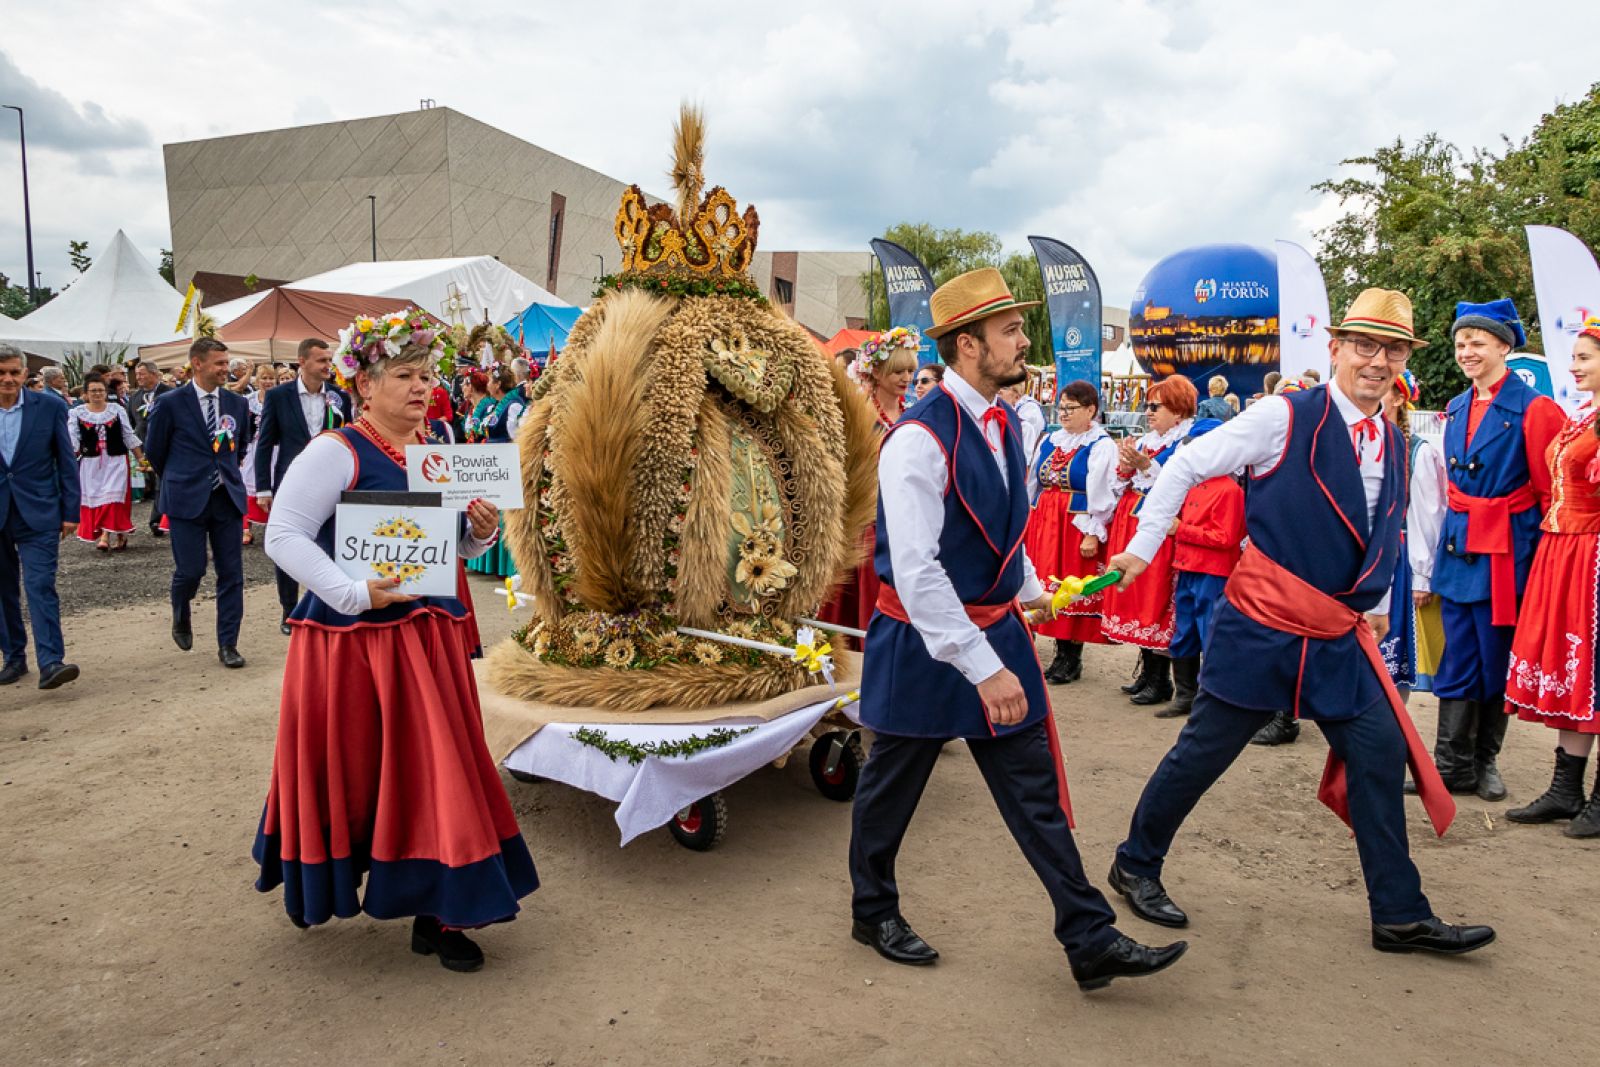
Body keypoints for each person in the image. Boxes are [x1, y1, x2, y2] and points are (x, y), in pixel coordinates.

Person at [1105, 288, 1495, 957]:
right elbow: (1189, 463)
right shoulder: (1285, 415)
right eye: (1365, 345)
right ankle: (1135, 862)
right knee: (1205, 752)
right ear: (1336, 348)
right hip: (1262, 625)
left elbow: (1380, 537)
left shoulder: (1399, 444)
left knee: (1378, 750)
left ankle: (1400, 912)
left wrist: (1372, 612)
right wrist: (1142, 549)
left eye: (1393, 348)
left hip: (1338, 638)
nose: (1378, 360)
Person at [849, 268, 1185, 992]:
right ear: (968, 345)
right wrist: (983, 664)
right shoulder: (916, 439)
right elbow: (916, 569)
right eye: (1009, 330)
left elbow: (1005, 529)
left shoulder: (1004, 420)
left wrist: (1032, 589)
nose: (1024, 340)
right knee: (891, 787)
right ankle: (872, 907)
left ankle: (1087, 934)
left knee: (1032, 790)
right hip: (926, 643)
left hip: (989, 632)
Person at [253, 310, 537, 970]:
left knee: (433, 772)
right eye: (404, 375)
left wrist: (480, 531)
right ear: (365, 385)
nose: (420, 386)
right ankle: (334, 879)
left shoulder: (436, 444)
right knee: (355, 768)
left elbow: (449, 542)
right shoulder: (336, 450)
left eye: (424, 374)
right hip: (355, 645)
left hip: (427, 636)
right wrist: (353, 593)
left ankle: (438, 912)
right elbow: (283, 535)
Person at [1429, 299, 1565, 800]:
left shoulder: (1535, 409)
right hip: (1461, 546)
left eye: (1476, 343)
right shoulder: (1458, 406)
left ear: (1503, 347)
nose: (1466, 352)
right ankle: (1450, 765)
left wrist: (1548, 566)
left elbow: (1552, 494)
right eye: (1461, 343)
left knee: (1493, 658)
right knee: (1457, 657)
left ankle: (1484, 762)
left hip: (1509, 554)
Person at [1505, 320, 1600, 836]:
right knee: (1573, 669)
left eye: (1584, 357)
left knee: (1597, 671)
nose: (1573, 366)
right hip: (1564, 550)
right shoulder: (1582, 418)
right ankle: (1567, 789)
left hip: (1594, 554)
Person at [144, 338, 252, 669]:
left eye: (226, 362)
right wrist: (182, 477)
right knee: (191, 570)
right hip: (186, 498)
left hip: (225, 498)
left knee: (231, 574)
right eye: (219, 363)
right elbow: (155, 451)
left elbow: (241, 446)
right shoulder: (171, 402)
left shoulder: (237, 404)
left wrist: (223, 475)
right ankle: (181, 610)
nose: (226, 369)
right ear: (198, 363)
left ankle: (228, 644)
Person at [1098, 375, 1196, 705]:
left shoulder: (1188, 442)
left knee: (1156, 600)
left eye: (1156, 406)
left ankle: (1163, 680)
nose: (1149, 412)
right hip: (1136, 520)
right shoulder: (1147, 440)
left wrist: (1146, 467)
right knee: (1137, 598)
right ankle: (1148, 672)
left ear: (1179, 411)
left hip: (1163, 529)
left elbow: (1177, 484)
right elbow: (1121, 484)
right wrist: (1127, 468)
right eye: (1148, 406)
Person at [818, 328, 918, 634]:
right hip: (866, 521)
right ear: (876, 371)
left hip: (905, 518)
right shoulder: (857, 414)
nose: (906, 378)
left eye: (910, 371)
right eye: (897, 371)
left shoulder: (913, 414)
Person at [254, 338, 350, 635]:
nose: (327, 366)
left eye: (329, 360)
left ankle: (326, 605)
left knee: (330, 543)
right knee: (289, 544)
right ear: (302, 362)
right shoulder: (279, 396)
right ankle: (288, 609)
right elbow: (265, 443)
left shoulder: (338, 396)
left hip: (332, 479)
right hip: (290, 480)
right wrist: (263, 488)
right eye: (321, 360)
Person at [1024, 379, 1116, 684]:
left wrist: (1094, 531)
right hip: (1045, 521)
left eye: (1071, 408)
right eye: (1061, 407)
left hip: (1074, 524)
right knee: (1044, 583)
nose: (1063, 413)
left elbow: (1104, 492)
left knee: (1070, 585)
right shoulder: (1050, 440)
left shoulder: (1100, 445)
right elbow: (1032, 484)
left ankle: (1070, 656)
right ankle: (1054, 649)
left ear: (1090, 409)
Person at [0, 345, 80, 690]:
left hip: (40, 512)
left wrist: (71, 511)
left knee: (39, 585)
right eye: (1, 372)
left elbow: (65, 460)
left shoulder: (49, 406)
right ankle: (14, 657)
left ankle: (51, 662)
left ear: (24, 373)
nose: (7, 379)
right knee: (3, 590)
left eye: (14, 372)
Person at [1157, 418, 1243, 720]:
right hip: (1190, 568)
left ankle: (1211, 702)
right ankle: (1186, 695)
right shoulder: (1198, 485)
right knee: (1185, 631)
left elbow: (1226, 538)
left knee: (1211, 633)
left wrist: (1182, 530)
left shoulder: (1229, 490)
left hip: (1213, 572)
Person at [67, 373, 145, 552]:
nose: (97, 394)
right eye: (93, 391)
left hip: (116, 459)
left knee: (113, 496)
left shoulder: (116, 410)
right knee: (97, 497)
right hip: (90, 462)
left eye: (100, 390)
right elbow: (72, 439)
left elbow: (127, 434)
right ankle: (119, 533)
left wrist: (140, 457)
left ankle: (104, 536)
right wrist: (69, 459)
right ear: (85, 393)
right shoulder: (77, 413)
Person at [240, 363, 279, 546]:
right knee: (247, 484)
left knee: (274, 483)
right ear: (257, 380)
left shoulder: (282, 400)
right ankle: (245, 528)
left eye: (271, 378)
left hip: (275, 449)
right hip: (252, 448)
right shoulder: (248, 400)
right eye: (264, 378)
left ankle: (275, 526)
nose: (267, 381)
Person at [460, 372, 491, 442]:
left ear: (471, 387)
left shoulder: (490, 408)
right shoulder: (469, 410)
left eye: (463, 384)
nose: (462, 388)